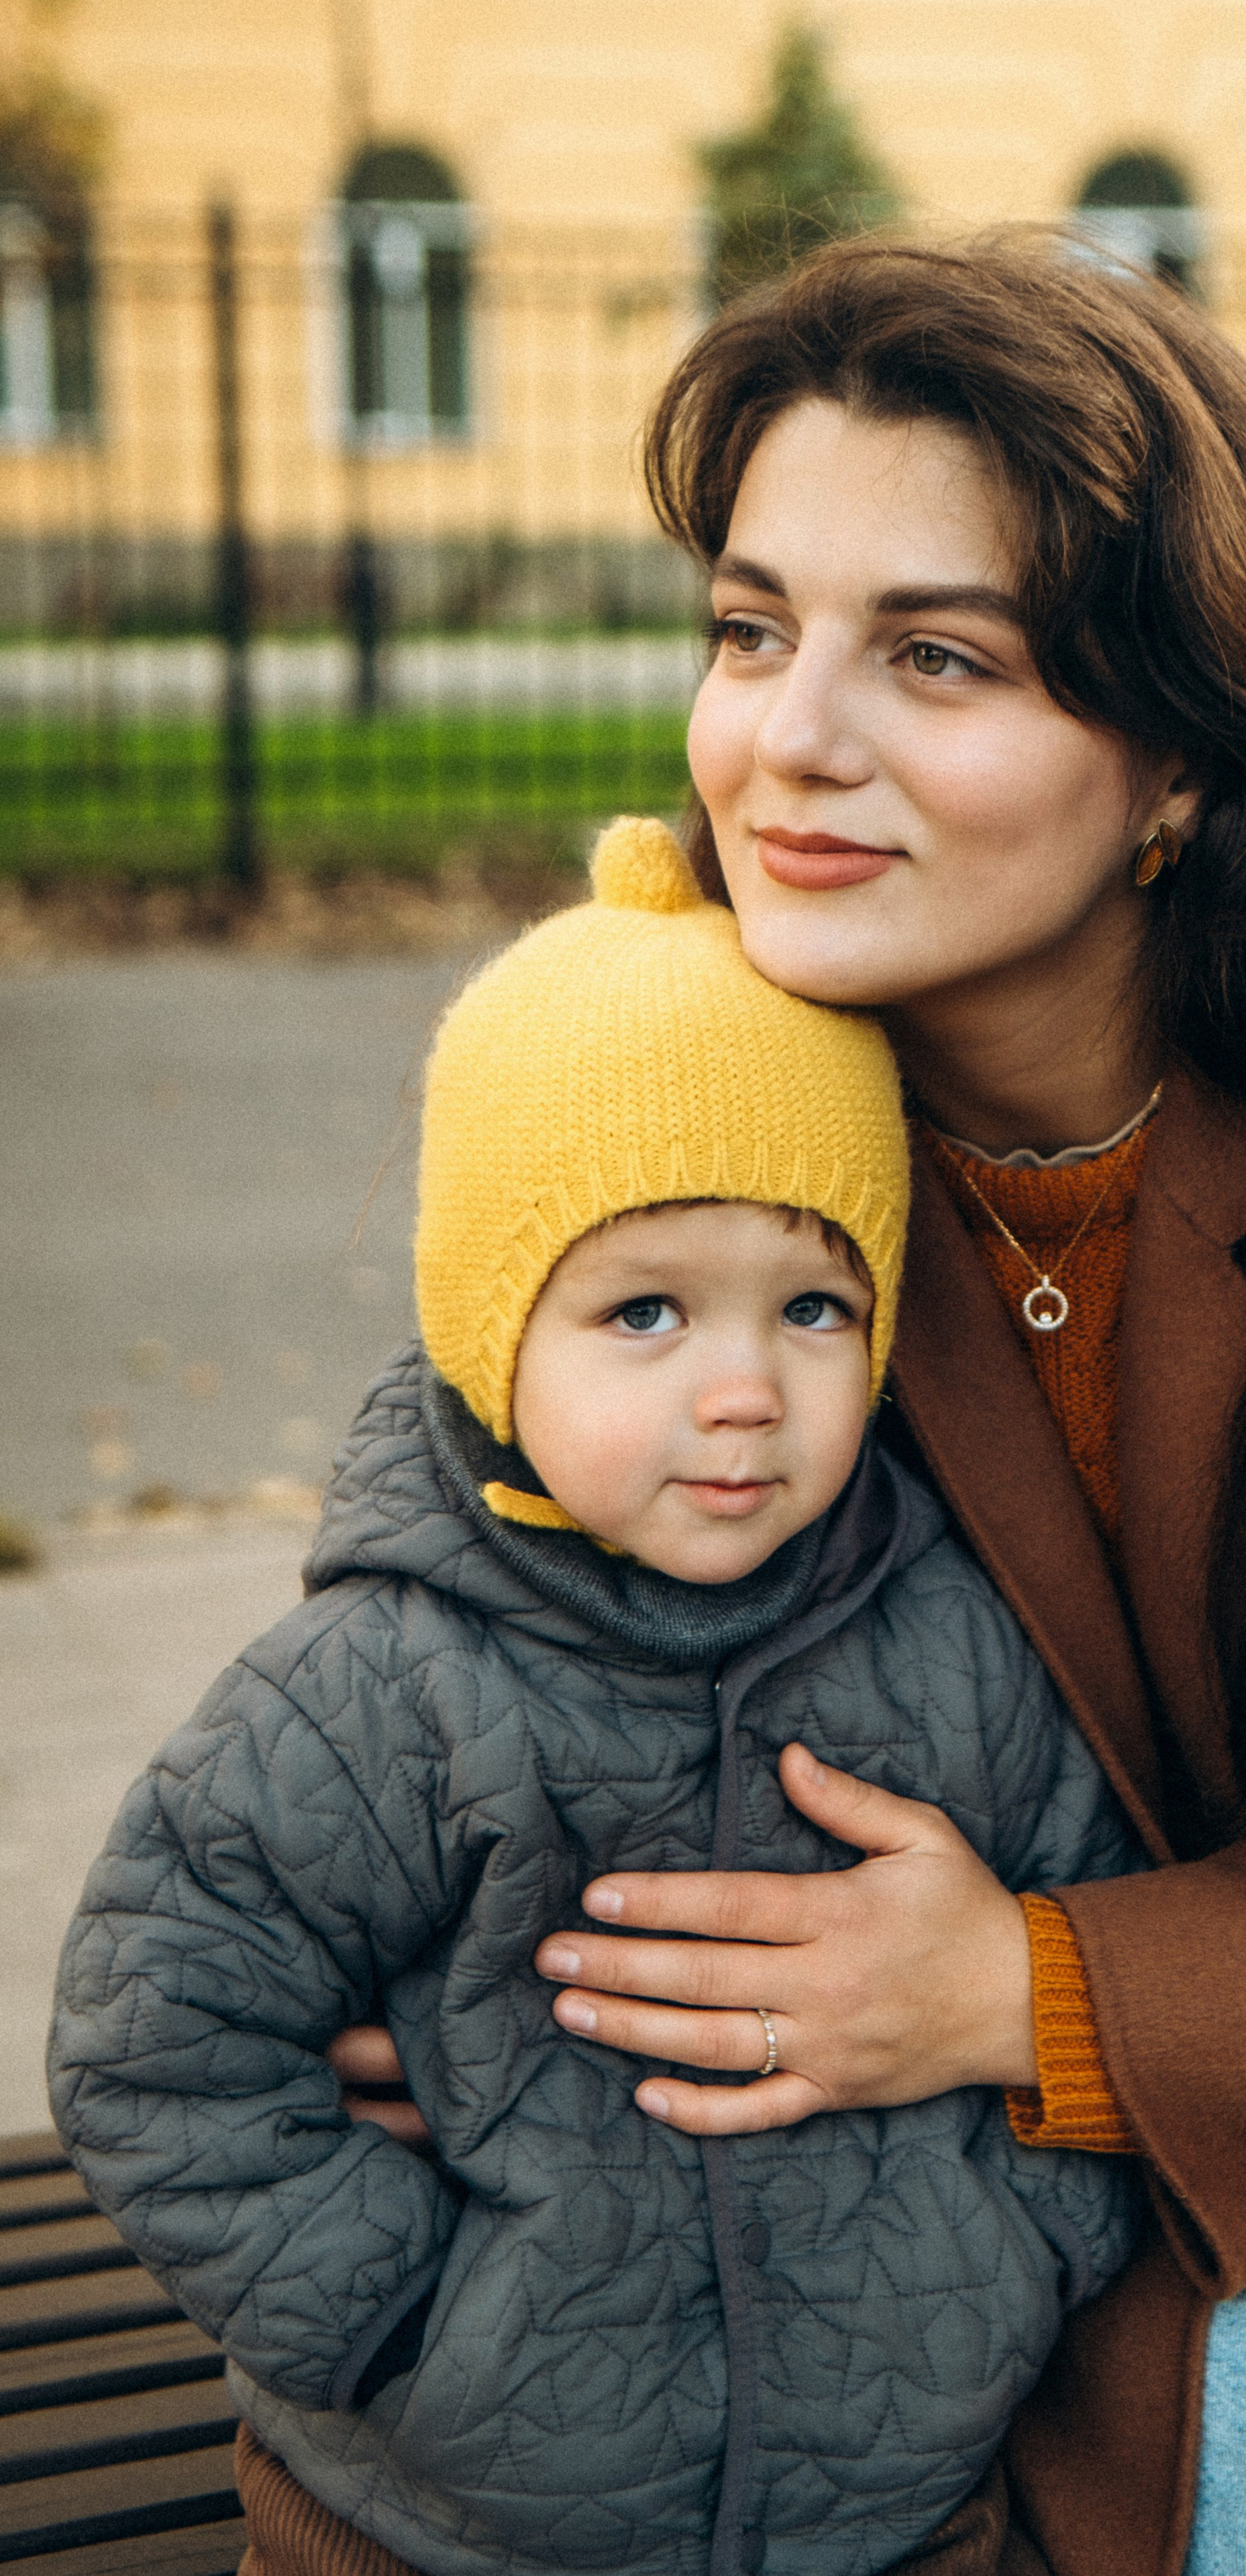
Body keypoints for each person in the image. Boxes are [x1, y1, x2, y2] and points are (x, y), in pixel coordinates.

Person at [335, 234, 1246, 2575]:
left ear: (1182, 751)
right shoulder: (683, 1108)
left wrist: (1037, 1976)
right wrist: (430, 1949)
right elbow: (457, 1573)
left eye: (938, 657)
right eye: (754, 630)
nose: (790, 741)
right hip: (1047, 2211)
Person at [48, 817, 1153, 2576]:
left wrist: (1011, 2260)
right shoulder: (383, 1689)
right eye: (644, 1313)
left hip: (898, 2516)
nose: (744, 1391)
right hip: (432, 2529)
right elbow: (155, 2036)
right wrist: (401, 2330)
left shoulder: (964, 1639)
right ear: (495, 1337)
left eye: (811, 1305)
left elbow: (1095, 1933)